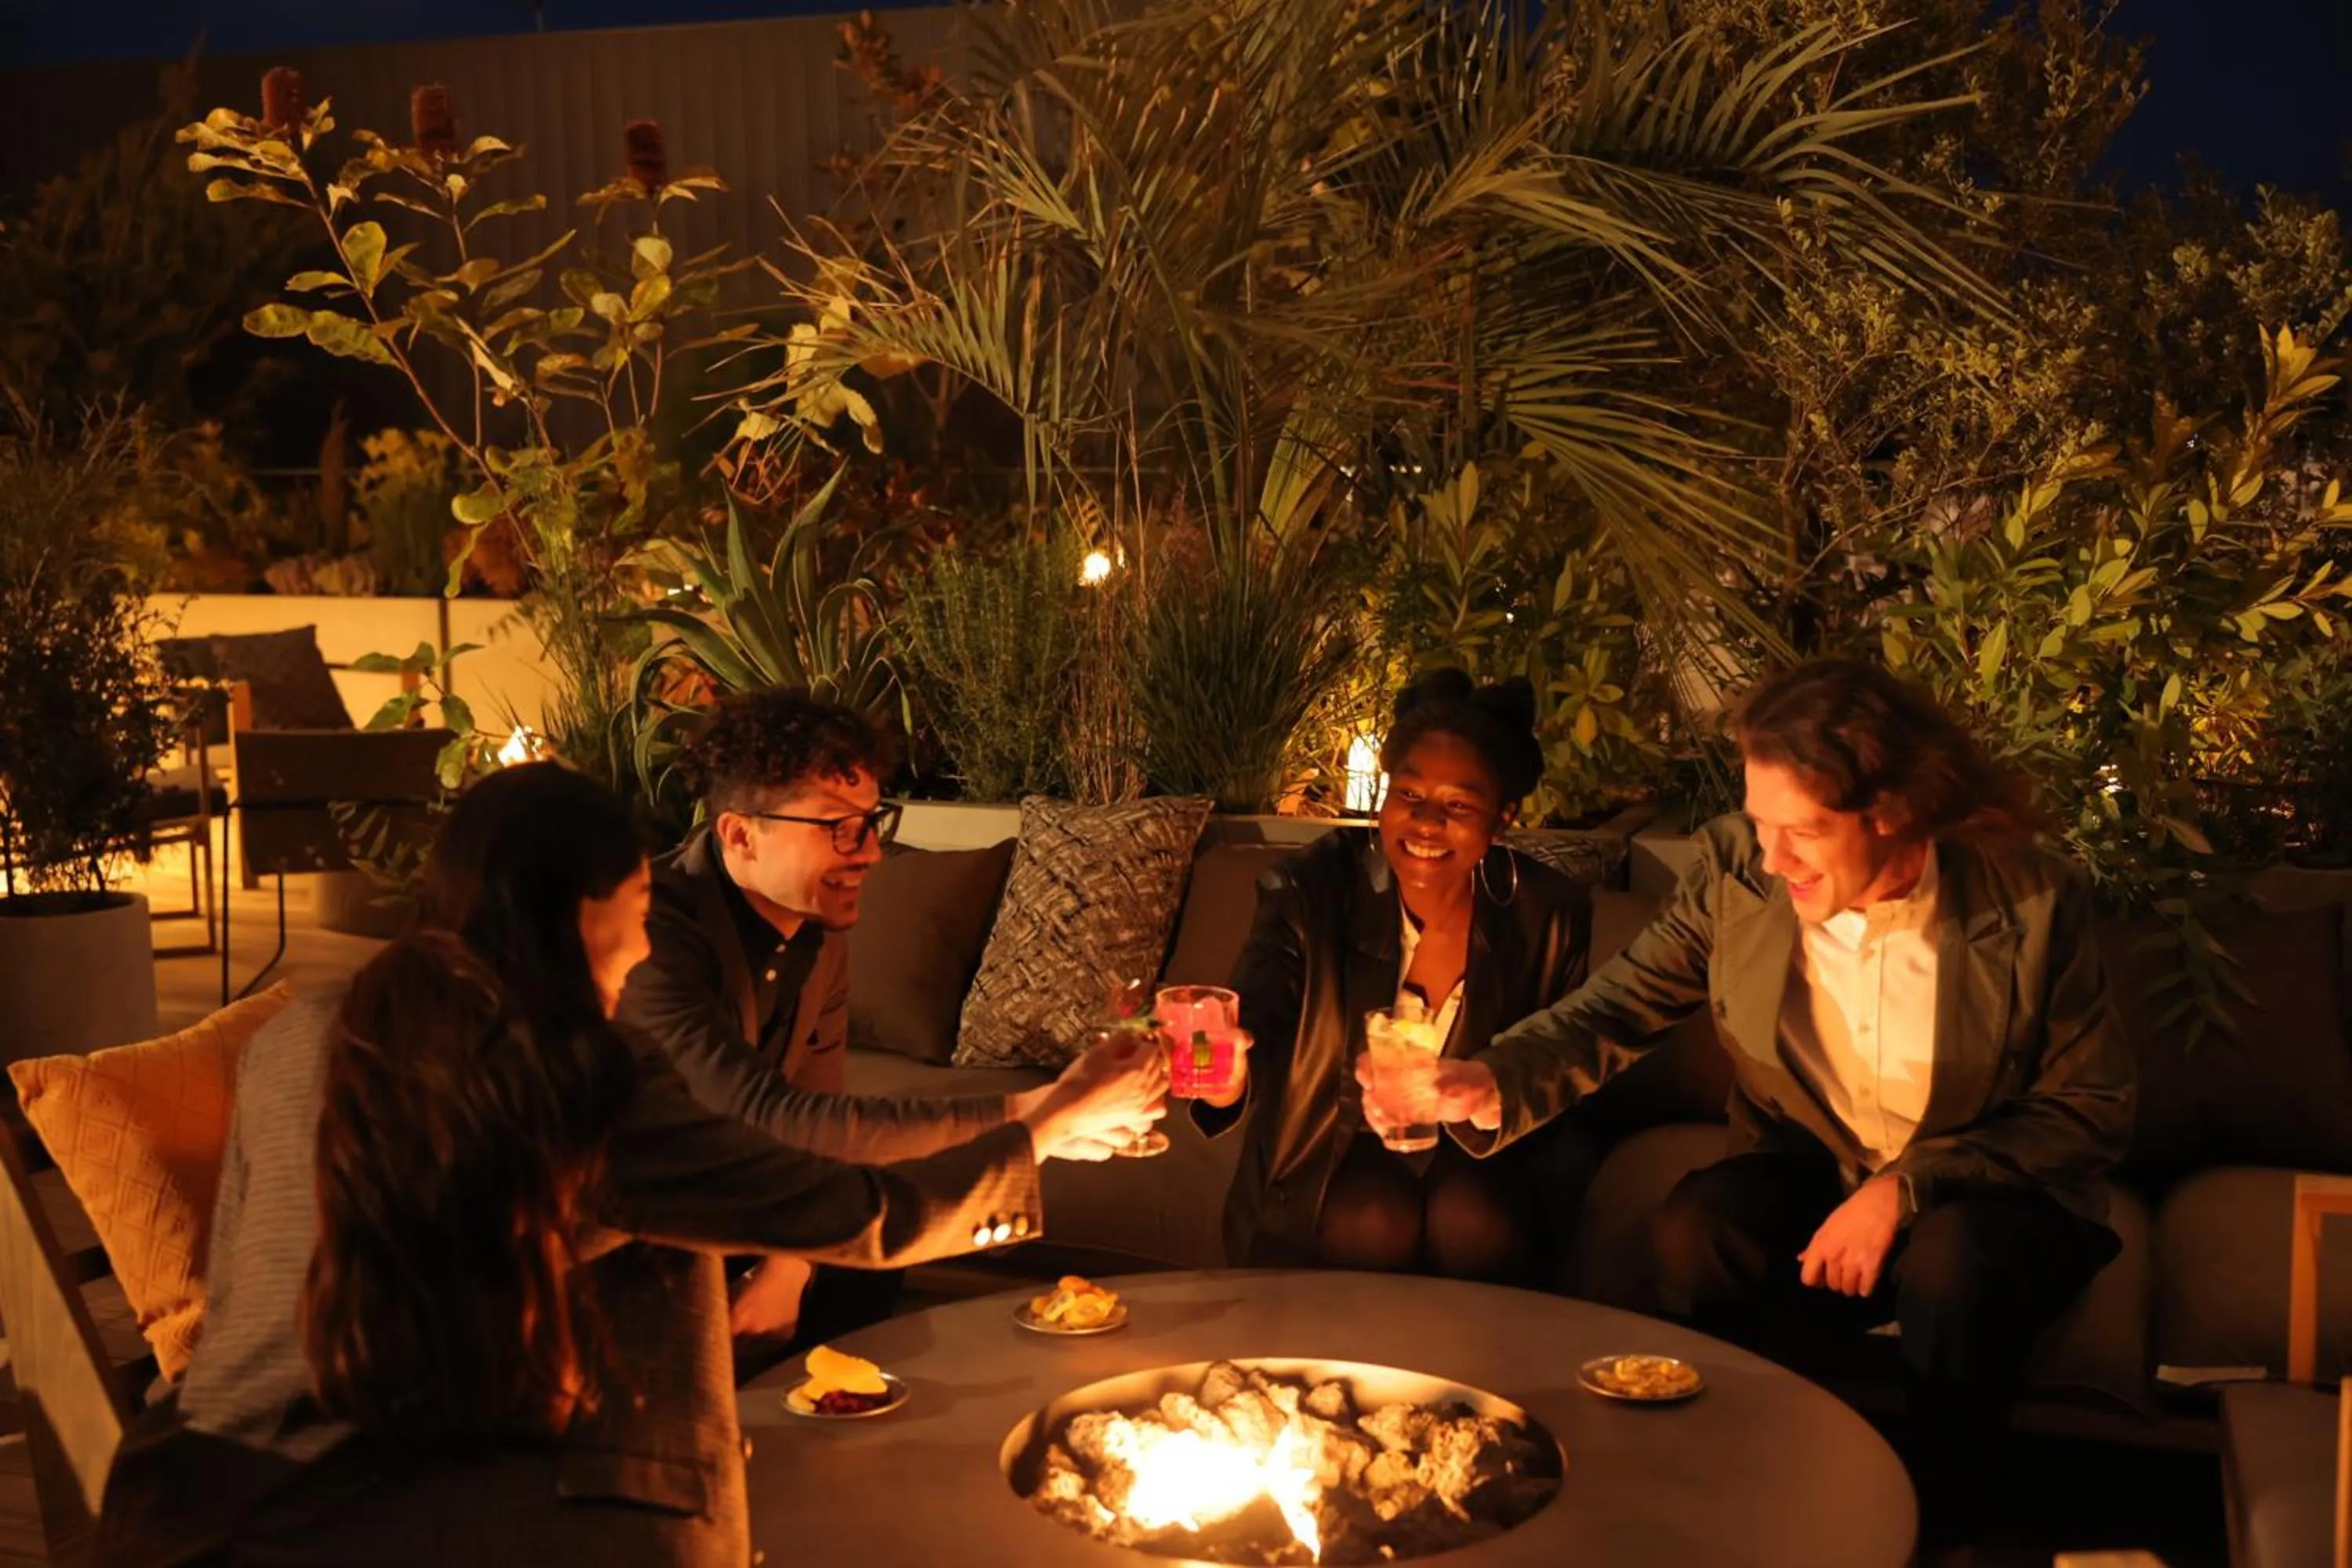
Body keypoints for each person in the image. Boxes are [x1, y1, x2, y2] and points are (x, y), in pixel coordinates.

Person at [97, 762, 1162, 1567]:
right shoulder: (572, 1075)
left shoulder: (300, 1033)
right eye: (638, 916)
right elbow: (856, 1212)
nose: (647, 950)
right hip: (442, 1524)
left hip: (198, 1499)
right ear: (575, 918)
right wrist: (1045, 1130)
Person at [1364, 658, 2133, 1559]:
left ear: (1892, 812)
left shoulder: (2030, 899)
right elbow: (1617, 1006)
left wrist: (1907, 1188)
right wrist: (1489, 1078)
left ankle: (1933, 1530)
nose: (1772, 859)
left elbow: (2087, 1109)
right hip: (1820, 1167)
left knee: (1953, 1266)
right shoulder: (1742, 869)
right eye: (1761, 825)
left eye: (1799, 832)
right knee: (1701, 1226)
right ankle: (1733, 1504)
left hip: (1990, 1199)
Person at [1196, 670, 1596, 1283]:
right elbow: (1260, 1006)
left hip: (1480, 1150)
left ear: (1502, 819)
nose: (1427, 822)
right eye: (1408, 795)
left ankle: (1475, 1370)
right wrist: (1226, 1070)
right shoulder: (1313, 887)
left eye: (1458, 805)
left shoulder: (1548, 915)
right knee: (1373, 1216)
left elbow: (1561, 1068)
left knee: (1474, 1215)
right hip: (1337, 1144)